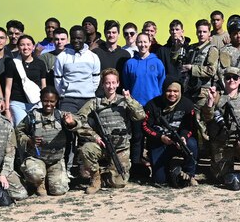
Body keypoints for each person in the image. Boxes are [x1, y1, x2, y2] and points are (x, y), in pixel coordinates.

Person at [76, 69, 146, 193]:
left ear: (118, 83)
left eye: (114, 83)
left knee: (119, 182)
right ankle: (95, 179)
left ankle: (104, 174)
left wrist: (129, 100)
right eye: (107, 83)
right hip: (102, 146)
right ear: (102, 84)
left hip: (120, 148)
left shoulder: (124, 101)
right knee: (86, 149)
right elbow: (79, 120)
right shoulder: (95, 103)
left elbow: (140, 115)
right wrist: (94, 136)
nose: (111, 86)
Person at [202, 68, 240, 189]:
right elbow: (206, 118)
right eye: (228, 77)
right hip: (221, 140)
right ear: (224, 80)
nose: (231, 80)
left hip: (239, 138)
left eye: (235, 78)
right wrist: (210, 102)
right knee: (219, 177)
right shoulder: (216, 96)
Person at [16, 86, 77, 197]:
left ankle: (50, 179)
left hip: (56, 160)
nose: (48, 104)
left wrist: (71, 123)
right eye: (45, 101)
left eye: (52, 101)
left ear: (56, 101)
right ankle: (39, 184)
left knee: (58, 190)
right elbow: (18, 132)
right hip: (37, 159)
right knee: (35, 173)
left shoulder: (61, 116)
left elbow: (78, 124)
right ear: (41, 100)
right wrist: (29, 140)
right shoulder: (32, 116)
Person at [122, 32, 167, 174]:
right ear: (136, 43)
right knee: (137, 137)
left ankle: (157, 167)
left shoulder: (157, 62)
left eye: (145, 42)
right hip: (136, 105)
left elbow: (161, 83)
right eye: (140, 42)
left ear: (150, 43)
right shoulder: (130, 63)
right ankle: (136, 167)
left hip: (153, 105)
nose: (142, 45)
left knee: (154, 136)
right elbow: (126, 83)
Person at [142, 80, 199, 187]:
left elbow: (190, 127)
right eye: (169, 91)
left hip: (179, 141)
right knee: (160, 180)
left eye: (175, 91)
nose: (172, 94)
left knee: (192, 144)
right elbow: (145, 126)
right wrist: (160, 137)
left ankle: (190, 174)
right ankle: (172, 168)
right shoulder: (152, 104)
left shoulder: (187, 104)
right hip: (160, 142)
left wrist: (183, 137)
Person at [54, 25, 101, 114]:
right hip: (68, 100)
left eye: (79, 38)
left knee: (88, 126)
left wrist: (89, 91)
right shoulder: (61, 57)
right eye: (73, 38)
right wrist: (63, 93)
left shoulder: (93, 57)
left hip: (88, 99)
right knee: (67, 125)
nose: (76, 41)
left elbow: (96, 78)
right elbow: (57, 79)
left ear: (84, 38)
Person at [3, 34, 46, 125]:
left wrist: (44, 104)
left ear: (33, 46)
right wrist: (7, 109)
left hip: (36, 103)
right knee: (20, 128)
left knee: (36, 129)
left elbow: (43, 86)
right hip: (17, 103)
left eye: (28, 44)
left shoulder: (40, 63)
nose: (25, 47)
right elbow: (8, 87)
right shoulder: (12, 63)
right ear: (18, 47)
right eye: (22, 45)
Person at [93, 20, 131, 90]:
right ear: (104, 33)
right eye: (108, 32)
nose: (111, 35)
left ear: (118, 34)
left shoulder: (125, 55)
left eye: (114, 32)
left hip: (119, 96)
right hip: (99, 96)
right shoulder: (96, 53)